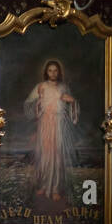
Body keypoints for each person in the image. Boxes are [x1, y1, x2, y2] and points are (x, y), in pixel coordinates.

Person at [23, 59, 79, 205]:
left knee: (56, 155)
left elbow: (72, 104)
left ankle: (54, 189)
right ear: (46, 72)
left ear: (59, 72)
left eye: (55, 70)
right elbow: (29, 104)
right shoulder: (40, 86)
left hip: (58, 124)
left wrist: (72, 102)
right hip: (45, 124)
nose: (53, 73)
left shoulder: (63, 87)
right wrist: (38, 104)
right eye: (50, 70)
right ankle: (43, 185)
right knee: (45, 155)